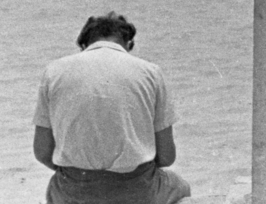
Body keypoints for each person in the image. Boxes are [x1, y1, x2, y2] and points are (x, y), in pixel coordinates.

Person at [33, 12, 189, 204]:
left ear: (83, 45)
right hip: (136, 191)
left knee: (55, 187)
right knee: (181, 187)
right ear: (129, 44)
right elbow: (167, 156)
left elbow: (41, 152)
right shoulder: (151, 72)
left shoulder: (53, 72)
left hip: (73, 193)